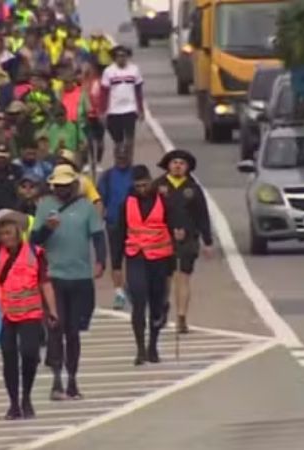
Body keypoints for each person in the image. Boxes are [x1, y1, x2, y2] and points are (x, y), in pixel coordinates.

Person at [31, 165, 107, 400]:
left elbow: (97, 235)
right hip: (54, 276)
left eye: (66, 185)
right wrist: (47, 228)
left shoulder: (86, 207)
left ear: (74, 184)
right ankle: (56, 380)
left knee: (73, 331)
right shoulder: (44, 206)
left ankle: (72, 379)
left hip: (81, 277)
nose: (62, 190)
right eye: (58, 186)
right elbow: (34, 240)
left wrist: (100, 261)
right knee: (55, 328)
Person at [0, 209, 58, 419]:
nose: (6, 237)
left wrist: (52, 311)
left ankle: (27, 397)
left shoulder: (36, 253)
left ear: (18, 232)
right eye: (2, 234)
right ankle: (14, 402)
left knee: (30, 354)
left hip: (31, 312)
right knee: (9, 356)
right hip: (5, 313)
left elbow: (44, 282)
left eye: (9, 232)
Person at [110, 165, 174, 364]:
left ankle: (153, 346)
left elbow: (172, 229)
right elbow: (119, 233)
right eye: (138, 186)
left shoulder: (163, 201)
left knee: (156, 304)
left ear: (150, 181)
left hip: (160, 259)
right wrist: (116, 264)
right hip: (136, 256)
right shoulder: (126, 204)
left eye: (145, 185)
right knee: (138, 301)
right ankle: (140, 350)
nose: (142, 189)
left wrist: (174, 260)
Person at [155, 149, 214, 334]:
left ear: (187, 167)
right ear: (168, 165)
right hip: (161, 240)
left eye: (182, 163)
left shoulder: (193, 188)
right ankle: (162, 308)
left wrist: (208, 241)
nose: (178, 166)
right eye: (174, 162)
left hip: (187, 240)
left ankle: (181, 317)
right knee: (163, 279)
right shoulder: (158, 186)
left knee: (183, 278)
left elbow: (202, 215)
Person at [98, 148, 134, 310]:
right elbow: (100, 201)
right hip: (114, 224)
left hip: (134, 224)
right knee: (116, 261)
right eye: (119, 156)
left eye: (124, 156)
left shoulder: (136, 175)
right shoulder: (107, 177)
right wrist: (99, 220)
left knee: (134, 260)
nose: (122, 158)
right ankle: (119, 293)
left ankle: (134, 289)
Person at [101, 45, 144, 157]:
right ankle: (119, 163)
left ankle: (129, 162)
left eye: (124, 56)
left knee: (129, 141)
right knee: (118, 142)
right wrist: (102, 111)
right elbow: (104, 93)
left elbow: (138, 91)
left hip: (130, 109)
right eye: (119, 56)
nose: (122, 58)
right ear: (114, 57)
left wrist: (140, 110)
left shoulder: (134, 69)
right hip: (113, 111)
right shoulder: (108, 71)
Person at [81, 62, 106, 163]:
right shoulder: (84, 82)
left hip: (98, 115)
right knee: (87, 140)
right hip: (86, 115)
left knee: (99, 140)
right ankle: (87, 161)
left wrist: (102, 112)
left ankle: (98, 161)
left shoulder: (101, 82)